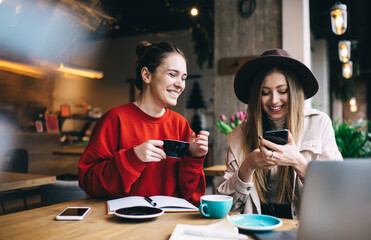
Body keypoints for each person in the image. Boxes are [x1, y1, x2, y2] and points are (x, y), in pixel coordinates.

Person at [78, 41, 209, 206]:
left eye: (183, 78)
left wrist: (194, 158)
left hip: (169, 223)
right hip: (123, 224)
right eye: (172, 74)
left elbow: (192, 196)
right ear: (146, 75)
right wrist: (133, 158)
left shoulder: (180, 125)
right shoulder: (114, 119)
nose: (180, 84)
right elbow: (88, 182)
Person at [217, 49, 342, 219]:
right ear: (256, 96)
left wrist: (297, 161)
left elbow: (338, 194)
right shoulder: (240, 134)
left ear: (295, 91)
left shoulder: (319, 124)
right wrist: (248, 165)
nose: (274, 100)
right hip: (255, 226)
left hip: (302, 228)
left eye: (282, 91)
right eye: (265, 92)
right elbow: (226, 205)